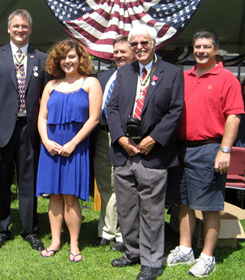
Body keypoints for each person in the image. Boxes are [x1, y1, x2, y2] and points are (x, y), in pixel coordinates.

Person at [107, 24, 184, 280]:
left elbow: (176, 110)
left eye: (144, 43)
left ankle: (152, 261)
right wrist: (119, 137)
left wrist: (154, 138)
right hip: (124, 152)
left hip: (153, 153)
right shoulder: (124, 72)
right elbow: (113, 107)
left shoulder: (172, 73)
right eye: (135, 44)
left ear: (154, 44)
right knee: (127, 209)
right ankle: (133, 252)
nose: (139, 47)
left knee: (151, 211)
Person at [166, 29, 244, 278]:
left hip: (209, 147)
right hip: (180, 148)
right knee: (183, 203)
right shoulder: (184, 76)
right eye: (197, 46)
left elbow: (233, 116)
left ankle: (208, 256)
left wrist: (224, 150)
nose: (200, 51)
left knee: (209, 205)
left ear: (216, 49)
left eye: (206, 47)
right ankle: (185, 248)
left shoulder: (226, 78)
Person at [0, 9, 50, 251]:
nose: (20, 30)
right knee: (0, 182)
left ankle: (30, 230)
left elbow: (47, 96)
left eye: (24, 27)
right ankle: (1, 230)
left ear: (30, 30)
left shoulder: (41, 58)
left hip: (29, 130)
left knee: (28, 182)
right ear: (9, 29)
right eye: (16, 26)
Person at [37, 39, 101, 262]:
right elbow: (42, 117)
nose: (67, 61)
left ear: (80, 58)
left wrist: (74, 143)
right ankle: (55, 241)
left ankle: (74, 244)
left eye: (72, 56)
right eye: (63, 57)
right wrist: (45, 141)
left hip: (76, 147)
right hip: (51, 148)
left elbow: (94, 118)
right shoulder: (51, 86)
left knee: (71, 197)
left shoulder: (90, 83)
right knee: (54, 196)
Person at [91, 35, 134, 251]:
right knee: (105, 183)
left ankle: (119, 234)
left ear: (133, 52)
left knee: (121, 185)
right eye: (116, 52)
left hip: (124, 138)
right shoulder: (104, 76)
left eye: (123, 51)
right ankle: (105, 231)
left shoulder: (138, 76)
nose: (119, 55)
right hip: (101, 135)